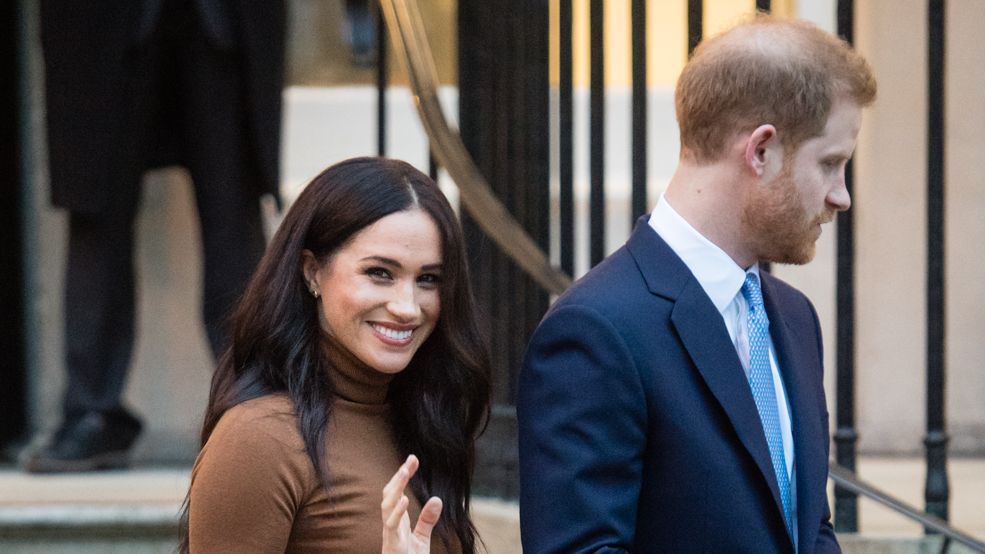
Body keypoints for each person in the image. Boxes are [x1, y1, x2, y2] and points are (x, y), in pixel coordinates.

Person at [518, 15, 876, 553]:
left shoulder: (796, 319)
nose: (840, 196)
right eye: (830, 164)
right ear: (760, 151)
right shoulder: (594, 331)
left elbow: (808, 529)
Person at [22, 0, 285, 472]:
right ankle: (91, 412)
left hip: (223, 20)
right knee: (94, 208)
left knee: (235, 218)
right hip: (100, 25)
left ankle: (256, 406)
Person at [179, 157, 491, 552]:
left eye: (428, 279)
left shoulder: (424, 425)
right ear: (312, 272)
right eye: (380, 272)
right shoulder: (259, 440)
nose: (408, 306)